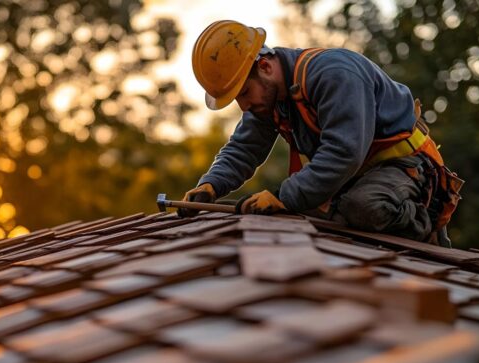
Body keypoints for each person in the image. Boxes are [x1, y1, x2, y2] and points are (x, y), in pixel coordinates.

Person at [179, 20, 463, 246]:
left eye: (243, 93)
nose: (244, 105)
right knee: (263, 211)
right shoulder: (268, 98)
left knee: (361, 207)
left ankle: (424, 225)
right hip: (356, 177)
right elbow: (244, 149)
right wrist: (211, 185)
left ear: (264, 66)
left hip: (404, 167)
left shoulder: (334, 74)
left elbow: (344, 153)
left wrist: (286, 197)